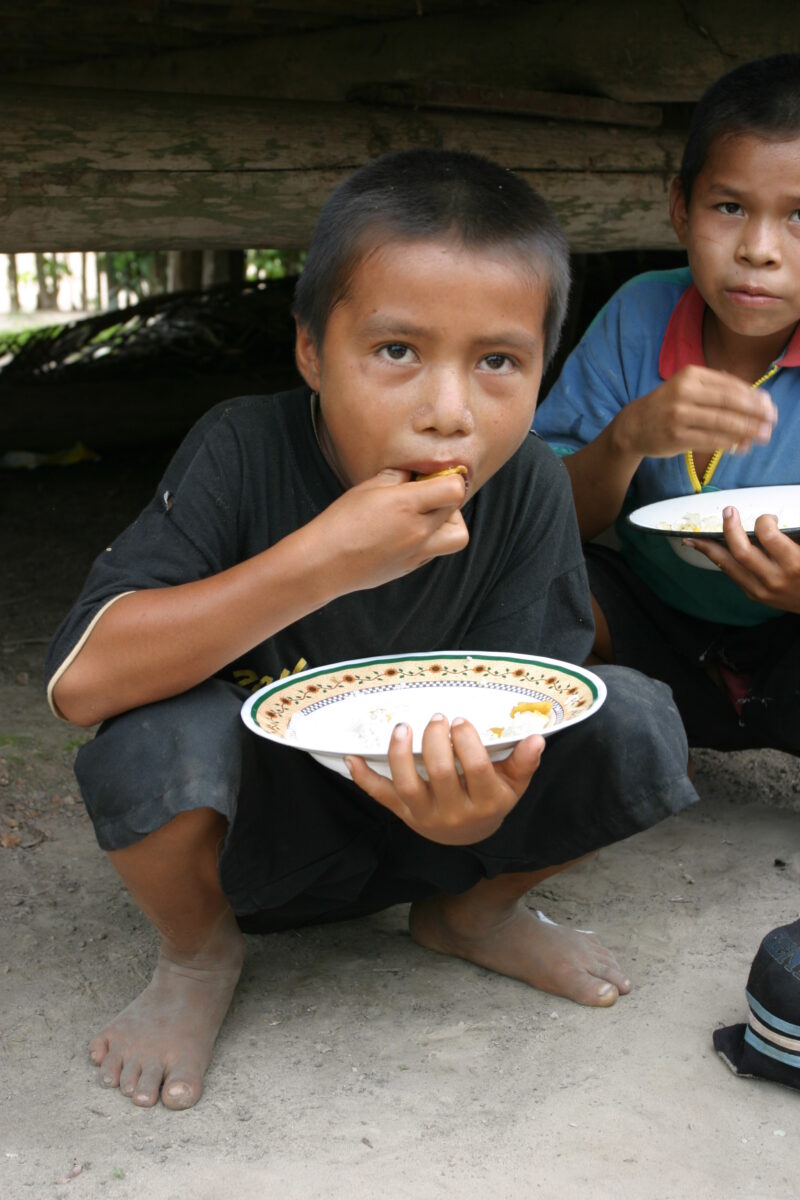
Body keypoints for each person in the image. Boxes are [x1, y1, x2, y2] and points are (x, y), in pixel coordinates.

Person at [46, 149, 696, 1111]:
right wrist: (324, 559)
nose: (449, 414)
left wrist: (480, 813)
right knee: (150, 747)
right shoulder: (242, 444)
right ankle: (196, 955)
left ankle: (471, 916)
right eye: (398, 352)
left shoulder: (523, 489)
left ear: (540, 369)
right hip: (260, 834)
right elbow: (81, 688)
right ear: (311, 349)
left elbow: (533, 709)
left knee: (638, 721)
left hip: (450, 820)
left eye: (498, 363)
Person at [534, 54, 800, 753]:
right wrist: (625, 439)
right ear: (681, 207)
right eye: (730, 207)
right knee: (528, 585)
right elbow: (545, 521)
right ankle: (627, 732)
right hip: (650, 623)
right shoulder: (639, 314)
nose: (759, 250)